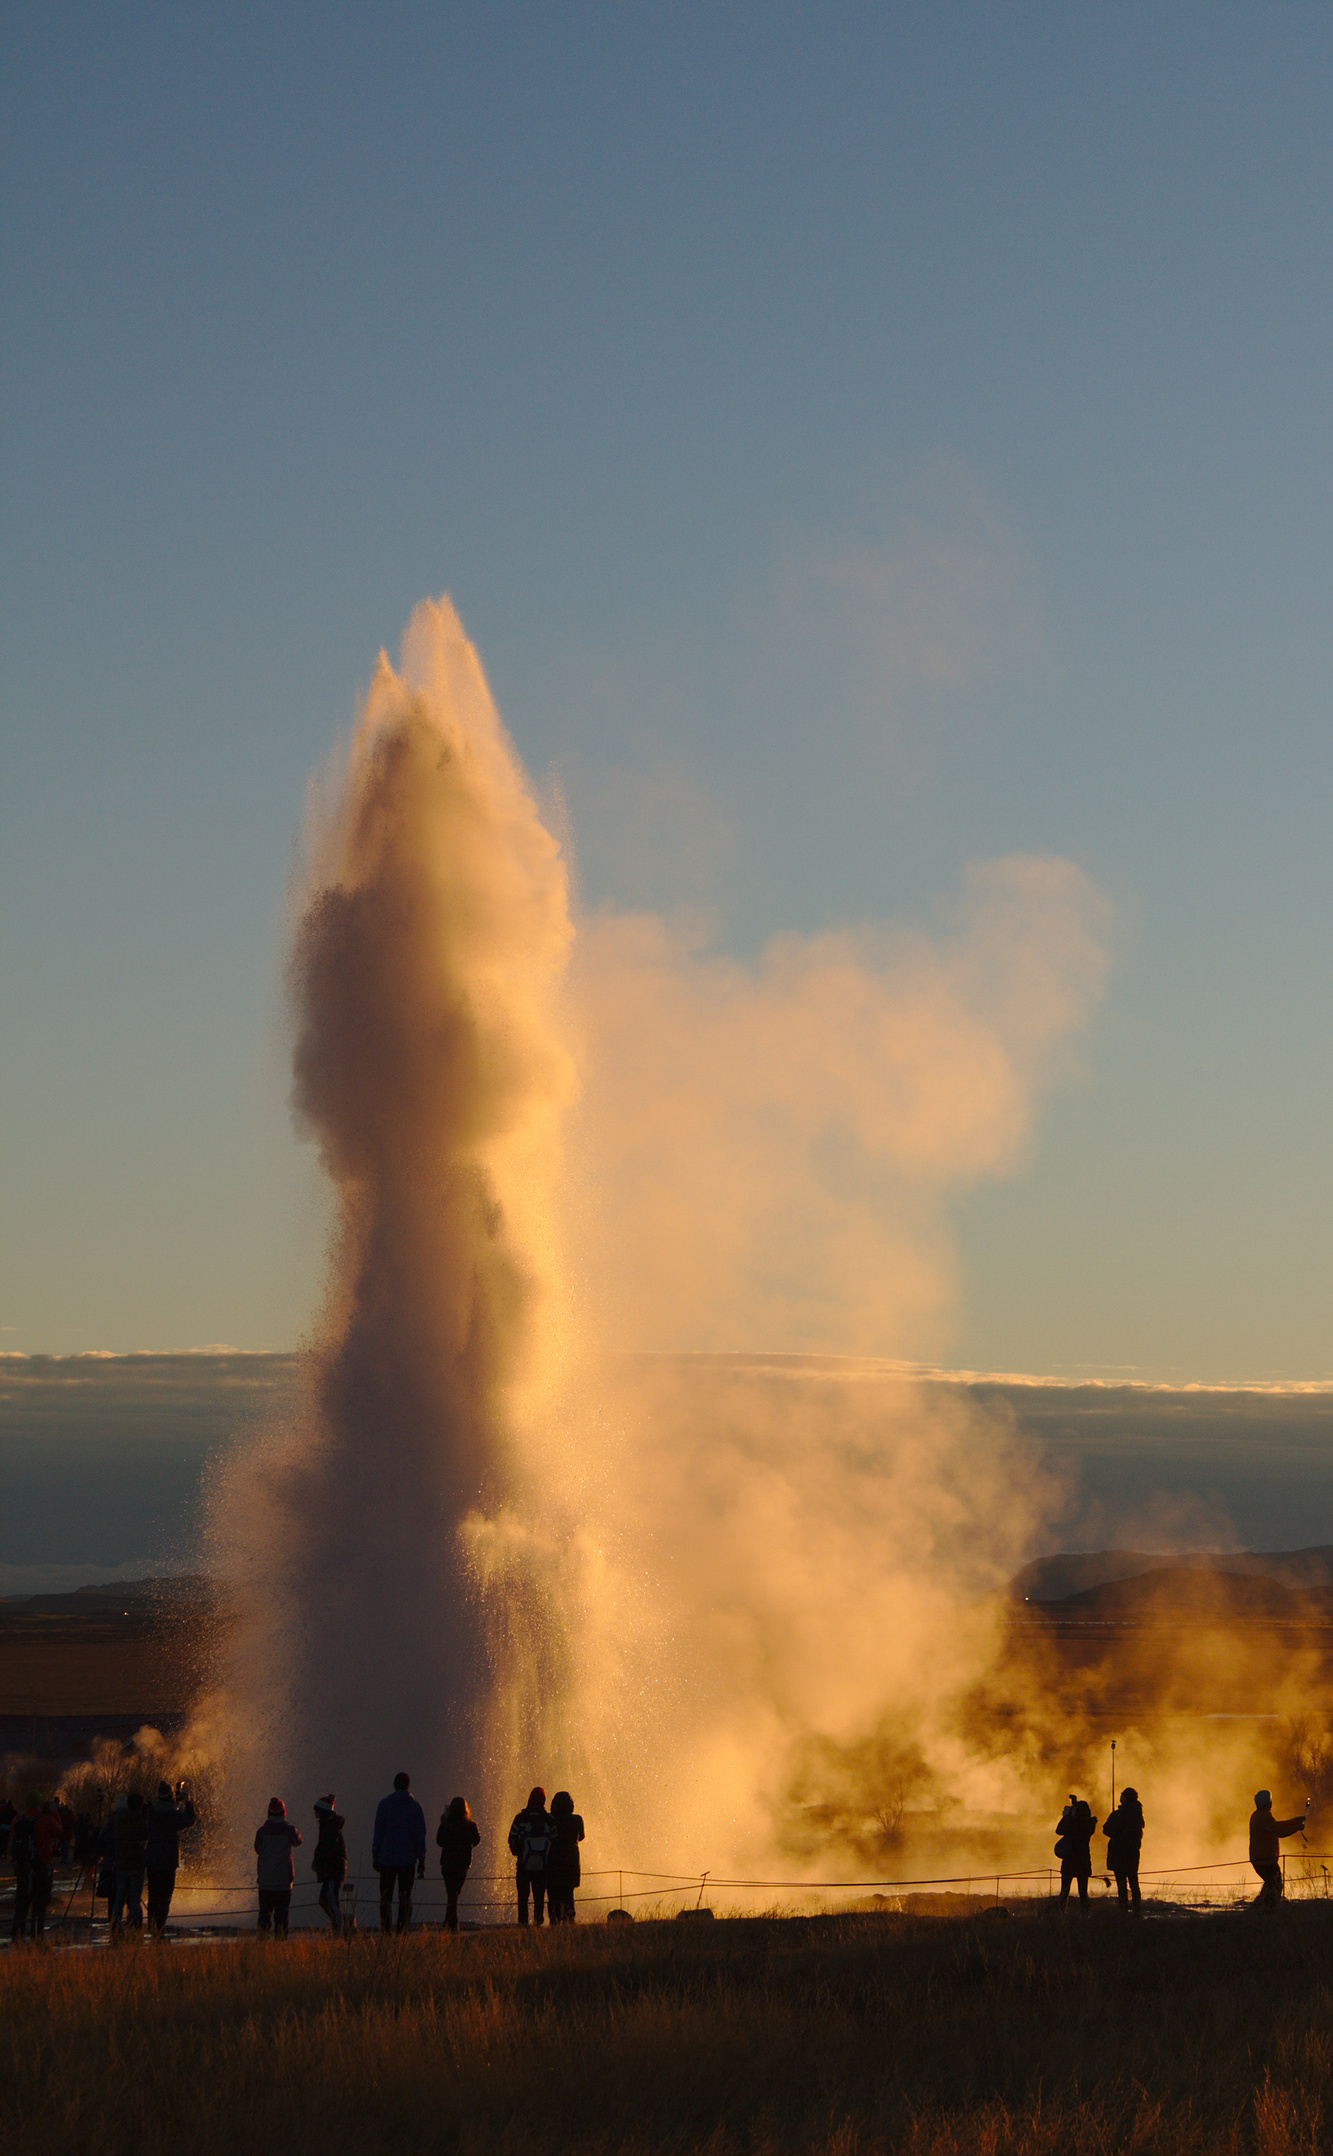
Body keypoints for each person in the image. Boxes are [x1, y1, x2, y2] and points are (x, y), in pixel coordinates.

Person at [372, 1772, 426, 1934]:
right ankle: (402, 1930)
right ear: (408, 1786)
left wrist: (375, 1855)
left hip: (386, 1858)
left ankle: (386, 1930)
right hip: (407, 1859)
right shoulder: (415, 1807)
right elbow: (419, 1836)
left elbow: (378, 1833)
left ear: (394, 1785)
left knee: (385, 1897)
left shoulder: (384, 1805)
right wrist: (421, 1859)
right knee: (405, 1897)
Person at [144, 1779, 197, 1936]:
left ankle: (152, 1926)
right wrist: (188, 1803)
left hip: (152, 1860)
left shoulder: (151, 1812)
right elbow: (190, 1819)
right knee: (165, 1896)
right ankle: (159, 1928)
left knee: (153, 1895)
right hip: (168, 1861)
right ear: (170, 1797)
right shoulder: (172, 1815)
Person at [255, 1796, 303, 1937]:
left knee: (264, 1914)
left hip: (266, 1881)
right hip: (283, 1881)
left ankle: (262, 1940)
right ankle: (280, 1942)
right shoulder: (289, 1830)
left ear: (269, 1813)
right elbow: (298, 1841)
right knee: (282, 1915)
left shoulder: (261, 1832)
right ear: (283, 1812)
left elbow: (257, 1849)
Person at [1249, 1789, 1306, 1907]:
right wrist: (1296, 1827)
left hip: (1261, 1858)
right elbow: (1279, 1831)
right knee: (1275, 1885)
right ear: (1268, 1803)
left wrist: (1295, 1821)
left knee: (1271, 1884)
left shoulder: (1259, 1815)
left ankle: (1260, 1906)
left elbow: (1276, 1825)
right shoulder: (1263, 1817)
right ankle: (1267, 1907)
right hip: (1264, 1860)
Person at [508, 1786, 554, 1926]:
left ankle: (523, 1922)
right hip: (542, 1865)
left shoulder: (520, 1818)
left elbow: (511, 1838)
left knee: (523, 1895)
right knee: (539, 1895)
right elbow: (555, 1840)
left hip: (524, 1864)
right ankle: (538, 1921)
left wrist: (518, 1853)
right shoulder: (548, 1819)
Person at [436, 1797, 480, 1932]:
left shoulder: (446, 1825)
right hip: (463, 1863)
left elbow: (439, 1841)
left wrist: (443, 1822)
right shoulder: (470, 1825)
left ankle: (449, 1924)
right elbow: (476, 1840)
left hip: (448, 1863)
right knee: (455, 1892)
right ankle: (452, 1924)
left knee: (452, 1893)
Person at [110, 1790, 149, 1936]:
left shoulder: (119, 1818)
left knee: (119, 1897)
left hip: (121, 1862)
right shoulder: (139, 1819)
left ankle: (115, 1923)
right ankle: (133, 1924)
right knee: (134, 1898)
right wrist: (145, 1815)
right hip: (136, 1863)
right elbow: (145, 1835)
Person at [1103, 1787, 1145, 1914]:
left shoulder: (1118, 1814)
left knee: (1121, 1883)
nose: (1120, 1797)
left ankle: (1123, 1909)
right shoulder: (1138, 1815)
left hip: (1119, 1852)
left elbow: (1106, 1830)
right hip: (1133, 1852)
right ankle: (1137, 1909)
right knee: (1134, 1882)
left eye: (1122, 1795)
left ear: (1126, 1798)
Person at [546, 1791, 585, 1924]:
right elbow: (581, 1836)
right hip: (571, 1860)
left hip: (553, 1859)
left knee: (553, 1893)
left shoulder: (550, 1819)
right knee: (568, 1893)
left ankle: (554, 1920)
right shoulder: (577, 1819)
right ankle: (569, 1919)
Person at [312, 1794, 348, 1933]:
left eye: (317, 1811)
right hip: (331, 1870)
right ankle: (337, 1924)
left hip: (333, 1871)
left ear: (323, 1812)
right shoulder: (328, 1826)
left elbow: (329, 1850)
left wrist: (320, 1862)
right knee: (326, 1899)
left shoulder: (330, 1828)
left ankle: (339, 1927)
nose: (315, 1814)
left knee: (330, 1899)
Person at [1055, 1795, 1097, 1911]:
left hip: (1070, 1859)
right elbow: (1080, 1820)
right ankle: (1084, 1914)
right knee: (1083, 1892)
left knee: (1064, 1891)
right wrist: (1075, 1806)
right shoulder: (1089, 1824)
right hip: (1083, 1860)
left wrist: (1067, 1816)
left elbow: (1059, 1830)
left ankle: (1061, 1912)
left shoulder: (1072, 1823)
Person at [9, 1795, 41, 1942]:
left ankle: (17, 1933)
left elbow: (11, 1834)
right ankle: (36, 1934)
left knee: (21, 1900)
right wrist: (54, 1812)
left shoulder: (18, 1819)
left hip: (21, 1865)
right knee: (39, 1902)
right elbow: (58, 1831)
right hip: (39, 1865)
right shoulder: (44, 1820)